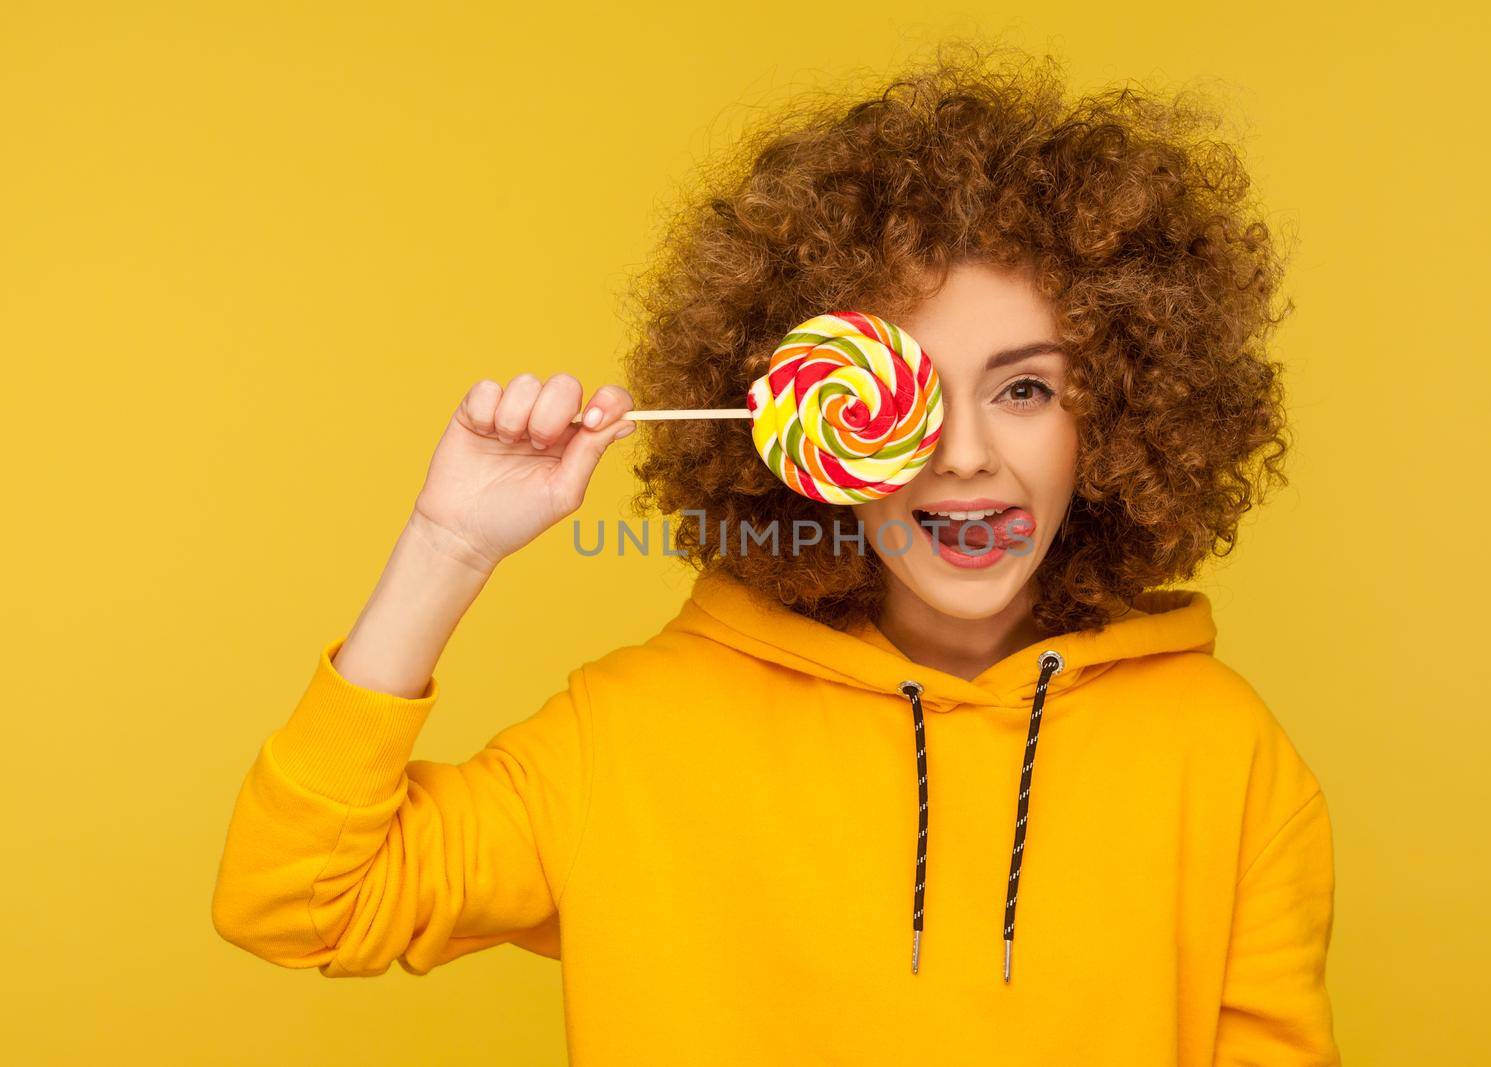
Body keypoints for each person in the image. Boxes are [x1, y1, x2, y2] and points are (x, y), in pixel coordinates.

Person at [211, 45, 1339, 1066]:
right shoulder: (635, 728)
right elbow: (301, 899)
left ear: (1126, 414)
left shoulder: (1224, 752)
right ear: (804, 421)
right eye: (900, 395)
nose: (960, 453)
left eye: (1026, 387)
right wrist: (445, 545)